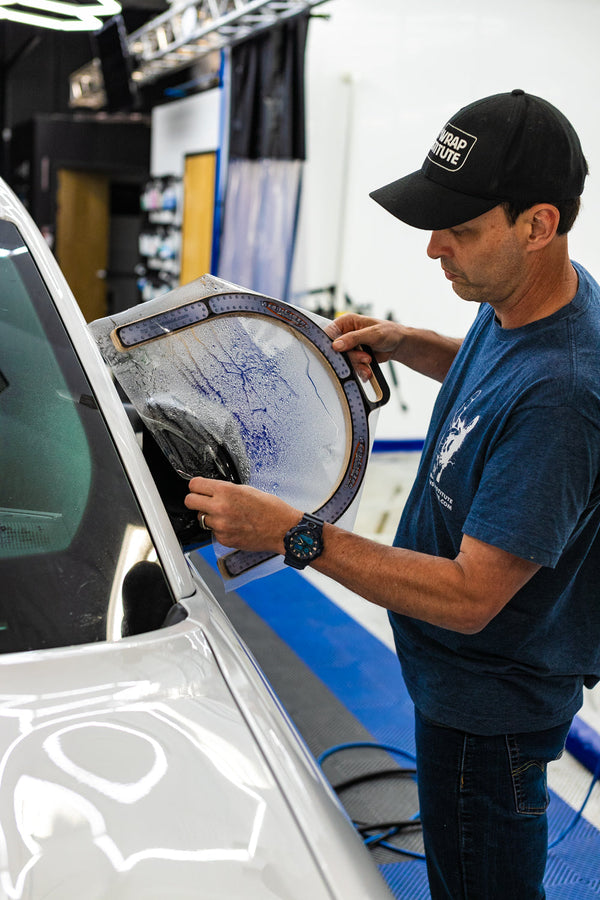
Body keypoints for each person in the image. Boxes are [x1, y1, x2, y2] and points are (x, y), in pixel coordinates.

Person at [185, 89, 600, 899]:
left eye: (460, 229)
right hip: (458, 688)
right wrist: (412, 344)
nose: (434, 248)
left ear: (537, 224)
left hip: (490, 716)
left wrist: (295, 536)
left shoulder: (565, 395)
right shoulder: (525, 298)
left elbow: (473, 596)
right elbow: (500, 377)